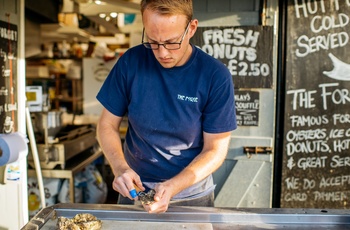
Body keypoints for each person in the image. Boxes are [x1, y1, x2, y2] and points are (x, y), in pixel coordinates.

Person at [96, 0, 237, 214]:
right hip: (134, 193)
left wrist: (173, 186)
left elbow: (215, 150)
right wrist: (120, 168)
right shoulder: (130, 63)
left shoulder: (215, 76)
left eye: (172, 42)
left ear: (191, 29)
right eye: (153, 41)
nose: (162, 53)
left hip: (192, 197)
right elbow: (106, 125)